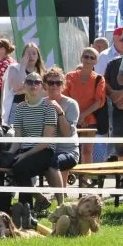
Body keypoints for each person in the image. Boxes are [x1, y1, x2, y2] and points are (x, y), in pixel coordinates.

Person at [0, 72, 58, 213]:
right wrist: (9, 155)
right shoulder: (20, 108)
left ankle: (25, 209)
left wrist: (24, 155)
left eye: (37, 82)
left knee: (20, 168)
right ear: (24, 85)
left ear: (43, 86)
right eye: (29, 82)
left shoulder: (49, 107)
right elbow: (18, 138)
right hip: (23, 151)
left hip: (44, 152)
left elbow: (47, 142)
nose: (33, 85)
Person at [41, 67, 80, 203]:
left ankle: (61, 203)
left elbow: (67, 133)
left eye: (58, 83)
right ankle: (39, 201)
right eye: (51, 83)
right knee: (24, 163)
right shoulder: (40, 103)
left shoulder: (71, 104)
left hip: (68, 151)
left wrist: (59, 112)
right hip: (46, 149)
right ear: (45, 85)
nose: (54, 86)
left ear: (63, 85)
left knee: (52, 163)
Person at [62, 47, 107, 164]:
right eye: (86, 56)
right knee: (68, 149)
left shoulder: (99, 79)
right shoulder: (70, 76)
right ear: (81, 58)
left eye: (92, 57)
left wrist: (83, 116)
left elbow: (99, 101)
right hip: (70, 119)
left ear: (96, 61)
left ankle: (86, 178)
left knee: (87, 151)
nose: (88, 59)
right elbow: (65, 97)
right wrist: (77, 116)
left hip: (90, 119)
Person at [3, 43, 46, 124]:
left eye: (34, 53)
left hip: (37, 108)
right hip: (17, 107)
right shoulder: (14, 68)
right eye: (28, 53)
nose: (31, 56)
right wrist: (22, 66)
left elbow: (45, 93)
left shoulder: (42, 72)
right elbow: (17, 87)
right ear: (23, 56)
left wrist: (25, 89)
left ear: (38, 57)